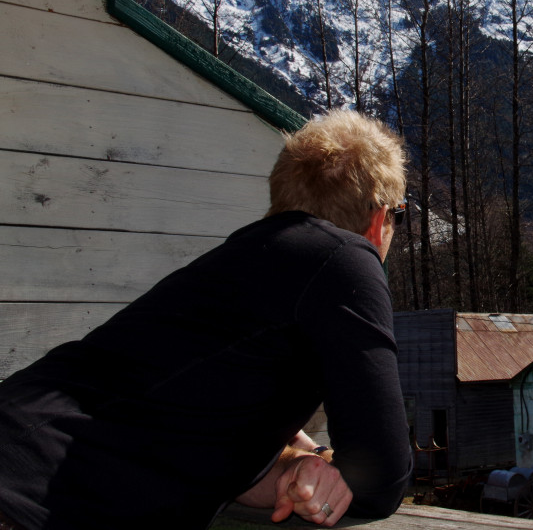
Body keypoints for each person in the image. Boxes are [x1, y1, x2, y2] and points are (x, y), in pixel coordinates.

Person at [0, 110, 413, 530]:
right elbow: (381, 480)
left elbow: (193, 444)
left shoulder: (236, 265)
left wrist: (294, 465)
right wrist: (322, 461)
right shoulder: (343, 259)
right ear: (379, 220)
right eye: (400, 215)